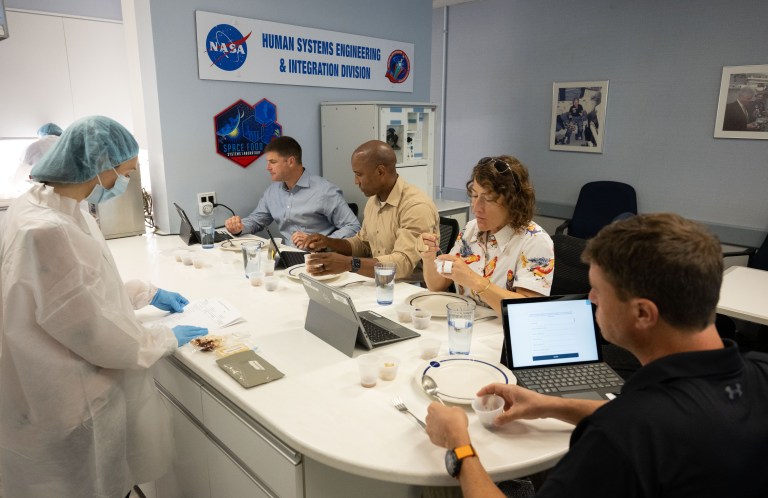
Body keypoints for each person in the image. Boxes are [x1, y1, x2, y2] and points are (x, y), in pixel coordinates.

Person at [424, 213, 768, 498]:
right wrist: (550, 404)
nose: (590, 301)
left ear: (643, 314)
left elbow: (637, 425)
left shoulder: (619, 438)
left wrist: (460, 446)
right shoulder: (757, 375)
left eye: (598, 292)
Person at [0, 116, 208, 498]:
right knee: (82, 485)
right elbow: (92, 331)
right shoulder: (48, 229)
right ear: (100, 166)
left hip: (47, 381)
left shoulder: (53, 207)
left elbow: (73, 293)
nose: (126, 182)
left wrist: (143, 292)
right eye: (126, 172)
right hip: (66, 396)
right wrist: (160, 339)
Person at [420, 156, 553, 316]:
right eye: (475, 196)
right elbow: (437, 285)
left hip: (501, 334)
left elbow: (526, 312)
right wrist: (429, 257)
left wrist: (473, 280)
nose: (476, 208)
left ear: (513, 201)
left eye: (488, 199)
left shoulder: (535, 241)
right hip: (466, 326)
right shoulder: (471, 229)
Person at [297, 140, 439, 280]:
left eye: (359, 174)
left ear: (380, 172)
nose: (356, 181)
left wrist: (350, 264)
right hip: (380, 281)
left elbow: (403, 264)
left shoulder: (415, 206)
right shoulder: (374, 200)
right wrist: (328, 242)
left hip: (412, 287)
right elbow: (363, 244)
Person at [224, 136, 360, 247]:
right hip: (287, 256)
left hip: (319, 257)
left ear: (290, 161)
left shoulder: (324, 191)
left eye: (272, 162)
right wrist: (239, 227)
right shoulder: (272, 192)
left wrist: (320, 240)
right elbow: (257, 220)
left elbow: (354, 227)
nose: (268, 167)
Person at [11, 122, 64, 192]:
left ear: (41, 135)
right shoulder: (70, 144)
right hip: (70, 189)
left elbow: (19, 176)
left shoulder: (33, 146)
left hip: (44, 190)